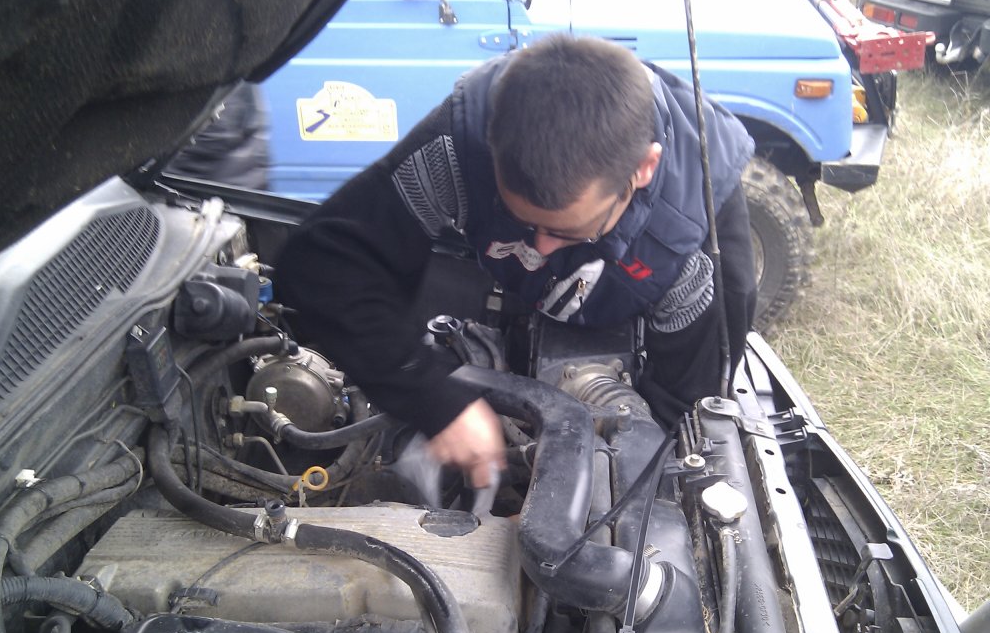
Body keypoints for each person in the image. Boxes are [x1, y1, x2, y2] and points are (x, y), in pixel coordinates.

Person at [274, 34, 756, 488]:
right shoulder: (458, 148)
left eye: (565, 232)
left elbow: (685, 412)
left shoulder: (699, 236)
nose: (538, 250)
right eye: (521, 222)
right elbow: (325, 267)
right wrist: (431, 395)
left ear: (644, 169)